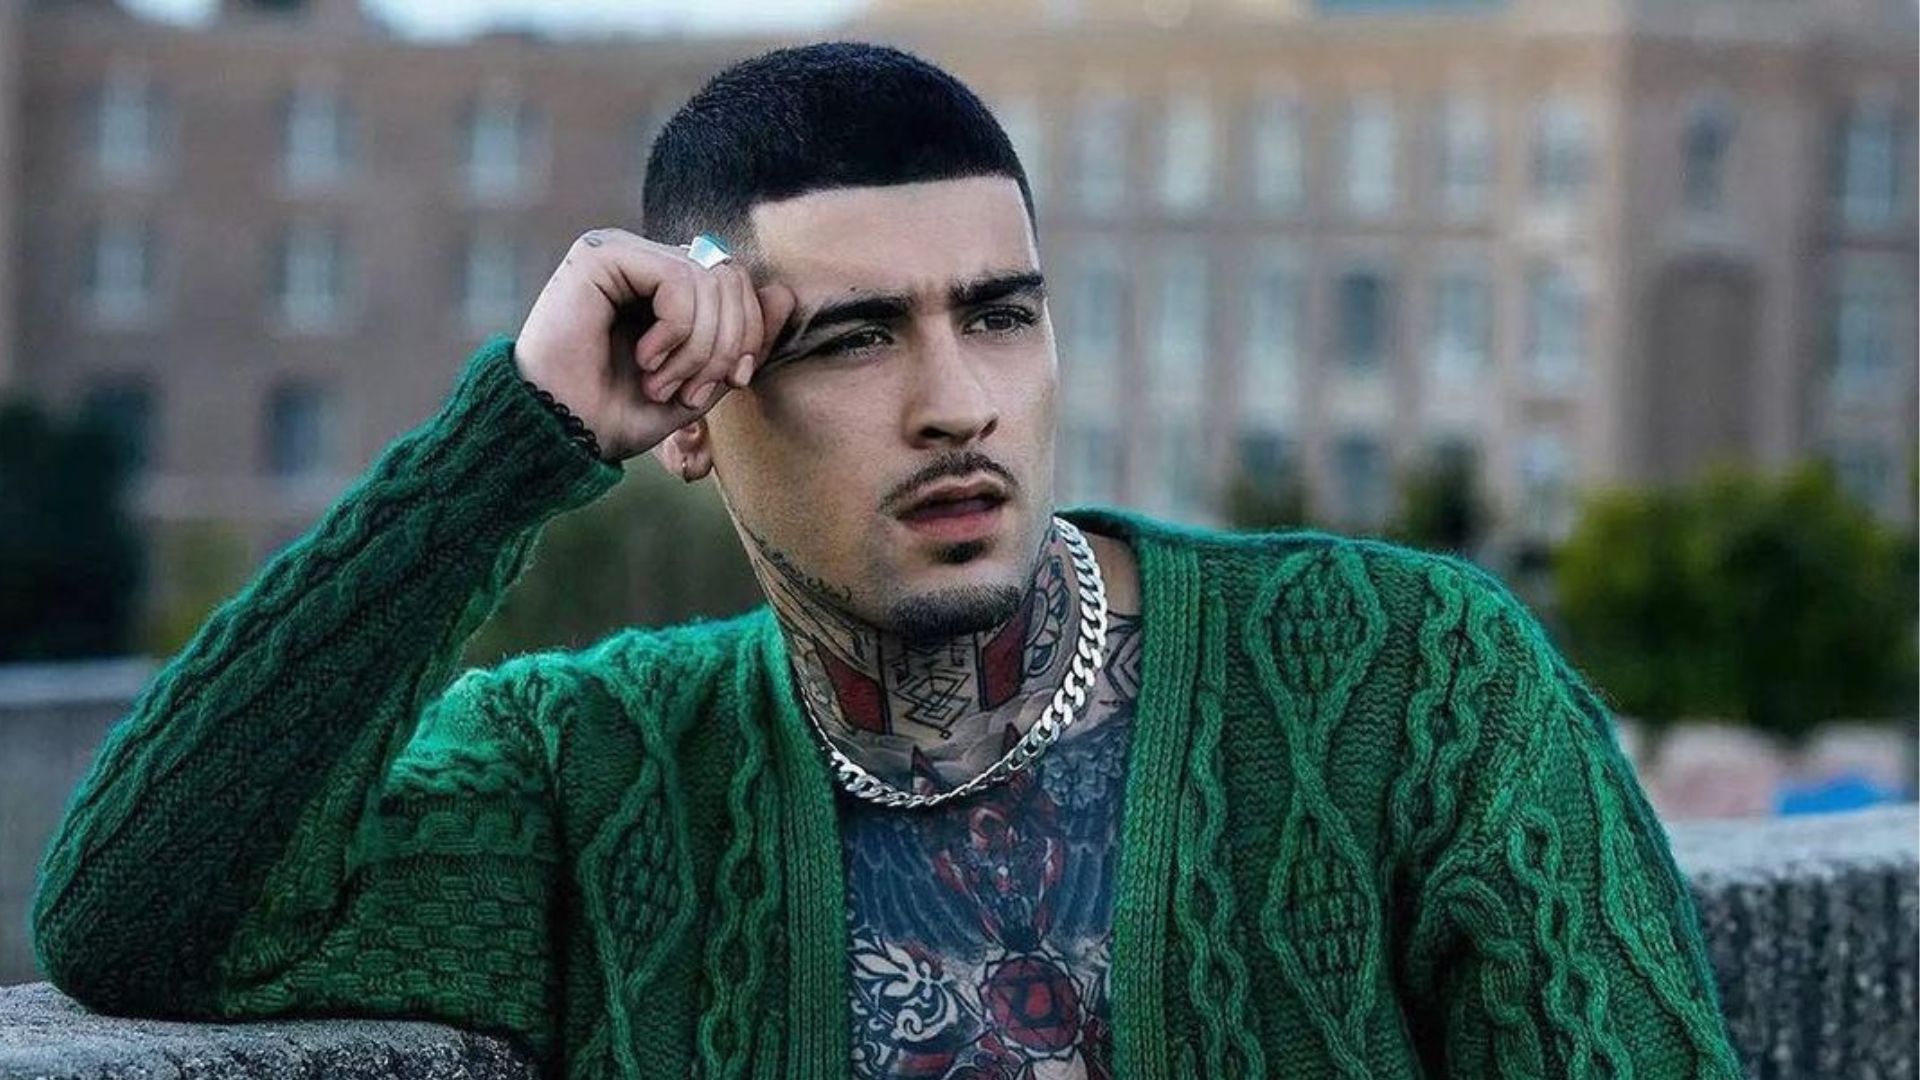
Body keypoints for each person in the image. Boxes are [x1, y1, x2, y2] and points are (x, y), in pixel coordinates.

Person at [30, 40, 1743, 1080]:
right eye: (852, 339)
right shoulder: (589, 768)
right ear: (686, 411)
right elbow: (138, 919)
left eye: (1000, 315)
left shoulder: (1409, 673)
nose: (956, 403)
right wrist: (514, 442)